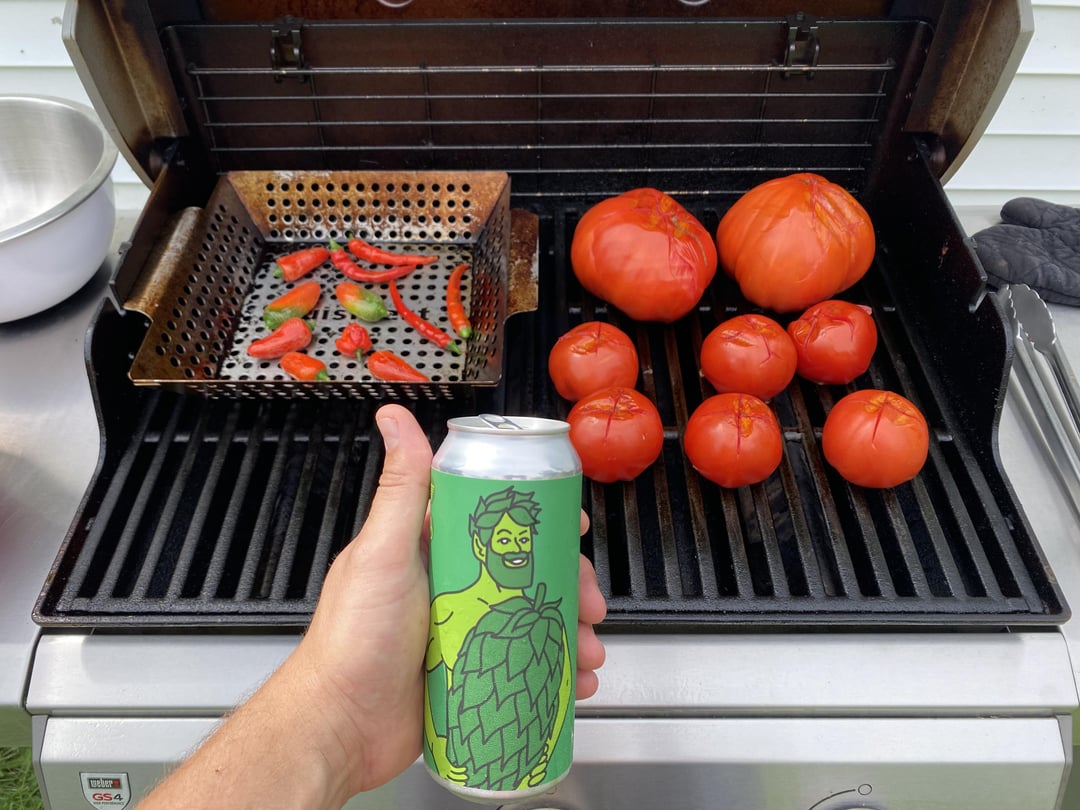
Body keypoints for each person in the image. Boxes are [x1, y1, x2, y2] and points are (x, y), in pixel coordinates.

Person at [137, 404, 608, 810]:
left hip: (532, 758)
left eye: (524, 539)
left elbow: (562, 684)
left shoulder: (548, 617)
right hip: (466, 758)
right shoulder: (448, 609)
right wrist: (347, 712)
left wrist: (545, 750)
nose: (518, 549)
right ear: (481, 547)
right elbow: (448, 703)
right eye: (504, 539)